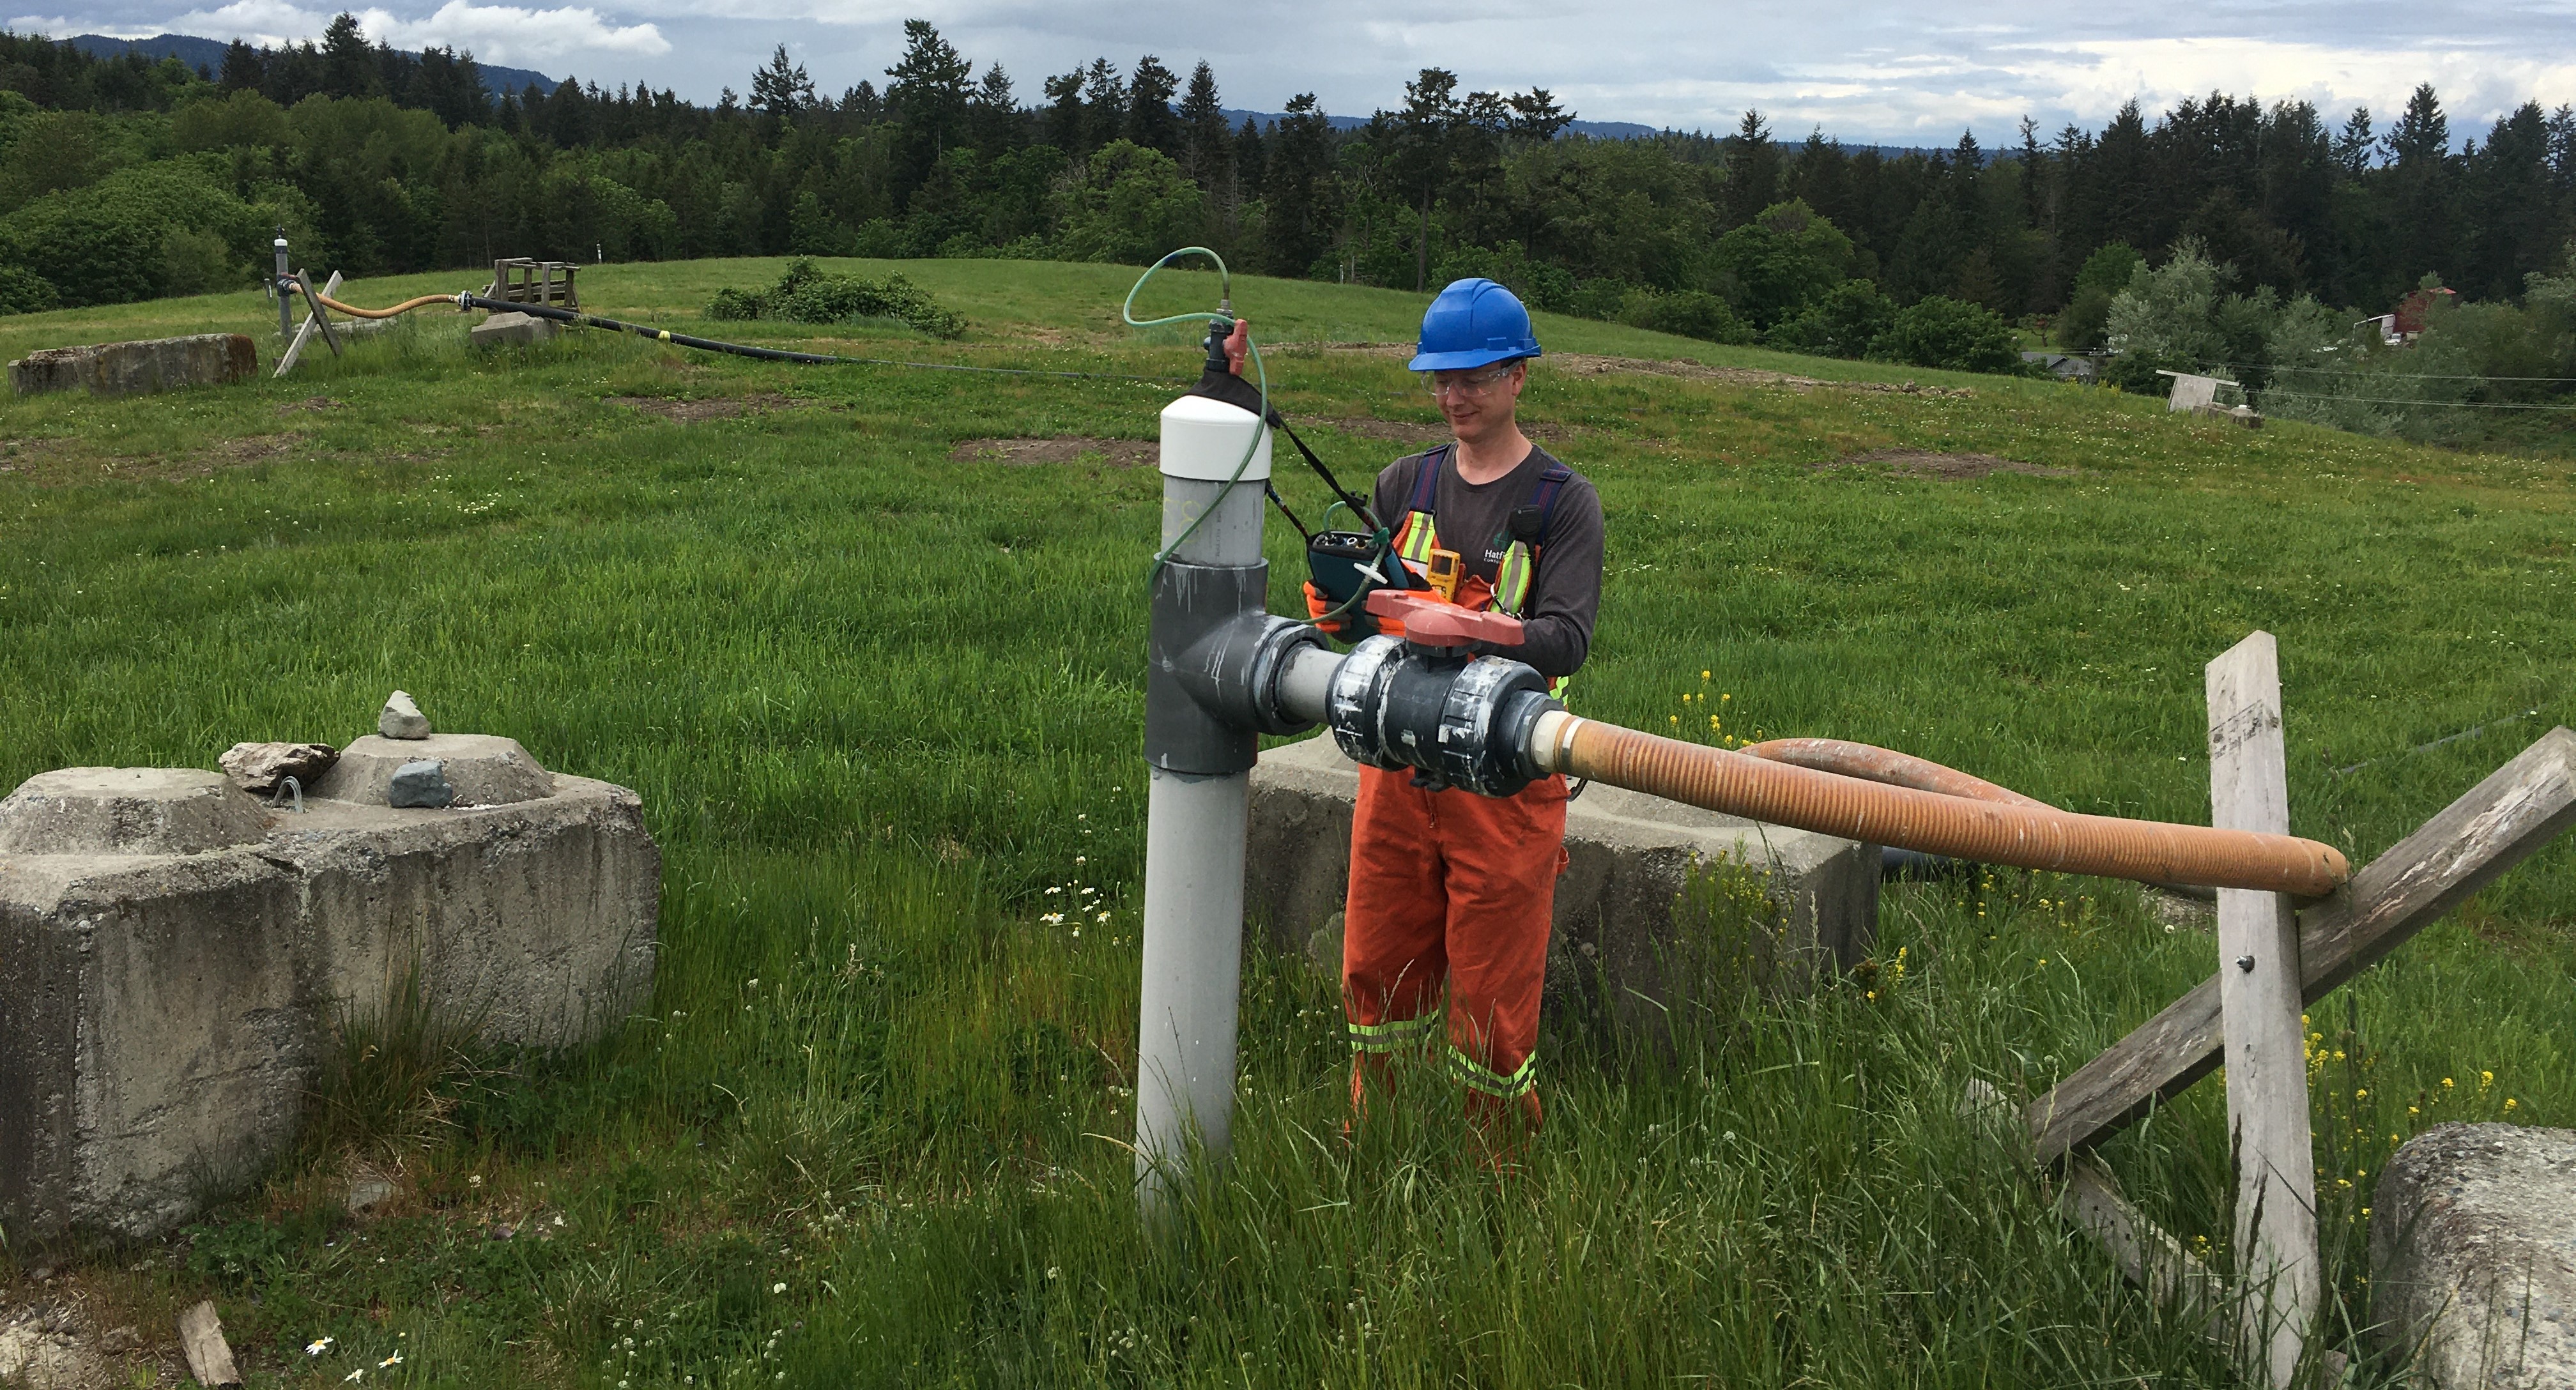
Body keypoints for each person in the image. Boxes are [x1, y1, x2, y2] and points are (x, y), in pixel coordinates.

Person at [1305, 278, 1605, 1140]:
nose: (1452, 396)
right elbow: (1368, 616)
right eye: (1440, 378)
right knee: (1377, 968)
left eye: (1473, 377)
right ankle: (1378, 1140)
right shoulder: (1405, 482)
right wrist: (1340, 607)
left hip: (1503, 781)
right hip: (1398, 769)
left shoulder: (1560, 502)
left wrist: (1469, 625)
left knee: (1493, 998)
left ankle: (1498, 1175)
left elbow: (1566, 639)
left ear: (1517, 377)